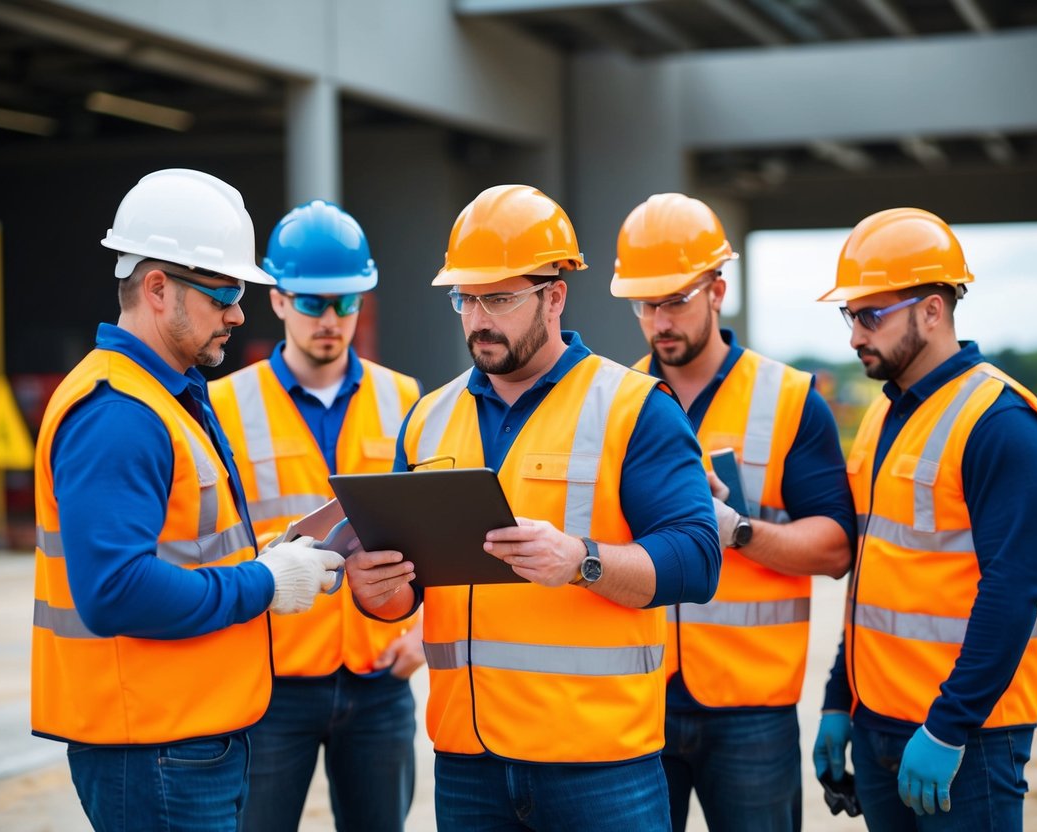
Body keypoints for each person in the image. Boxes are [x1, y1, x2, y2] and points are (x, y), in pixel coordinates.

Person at [344, 184, 722, 832]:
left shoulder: (634, 408)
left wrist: (582, 560)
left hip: (600, 768)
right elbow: (400, 594)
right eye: (465, 298)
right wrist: (373, 590)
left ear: (554, 295)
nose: (478, 317)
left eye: (500, 297)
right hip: (467, 764)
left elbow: (696, 559)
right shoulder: (426, 420)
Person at [32, 169, 344, 832]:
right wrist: (262, 582)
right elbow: (114, 591)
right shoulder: (117, 414)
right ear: (156, 288)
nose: (237, 311)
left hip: (184, 736)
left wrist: (267, 558)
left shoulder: (166, 397)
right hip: (152, 746)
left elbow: (182, 549)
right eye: (223, 292)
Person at [609, 193, 855, 831]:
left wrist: (739, 532)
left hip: (752, 709)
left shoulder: (791, 400)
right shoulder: (612, 404)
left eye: (675, 300)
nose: (660, 320)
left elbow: (834, 549)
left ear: (718, 290)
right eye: (645, 303)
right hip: (636, 693)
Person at [811, 207, 1037, 828]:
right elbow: (874, 577)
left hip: (966, 739)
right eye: (850, 315)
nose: (854, 336)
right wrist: (840, 698)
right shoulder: (880, 416)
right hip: (878, 724)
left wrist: (948, 728)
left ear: (932, 310)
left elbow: (1015, 592)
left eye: (871, 315)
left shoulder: (1000, 423)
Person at [209, 200, 424, 831]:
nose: (330, 320)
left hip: (379, 672)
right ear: (277, 300)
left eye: (346, 303)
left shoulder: (406, 399)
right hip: (273, 677)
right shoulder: (223, 404)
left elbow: (429, 527)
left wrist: (420, 634)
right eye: (311, 303)